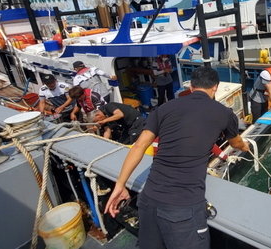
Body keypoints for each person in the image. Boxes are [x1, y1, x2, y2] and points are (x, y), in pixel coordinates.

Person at [104, 66, 249, 249]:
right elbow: (237, 144)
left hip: (148, 201)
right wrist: (247, 146)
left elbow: (139, 146)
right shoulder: (225, 113)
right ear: (215, 88)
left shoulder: (165, 108)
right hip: (183, 207)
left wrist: (120, 184)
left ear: (191, 87)